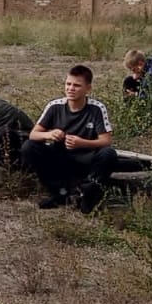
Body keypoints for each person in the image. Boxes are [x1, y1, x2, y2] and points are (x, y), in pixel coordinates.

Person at [21, 64, 118, 213]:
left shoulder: (97, 108)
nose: (71, 89)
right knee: (29, 147)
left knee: (109, 154)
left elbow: (106, 141)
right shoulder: (55, 106)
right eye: (68, 84)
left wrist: (82, 143)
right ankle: (58, 192)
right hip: (60, 155)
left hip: (85, 156)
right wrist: (49, 134)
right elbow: (34, 134)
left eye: (77, 85)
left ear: (88, 88)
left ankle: (87, 192)